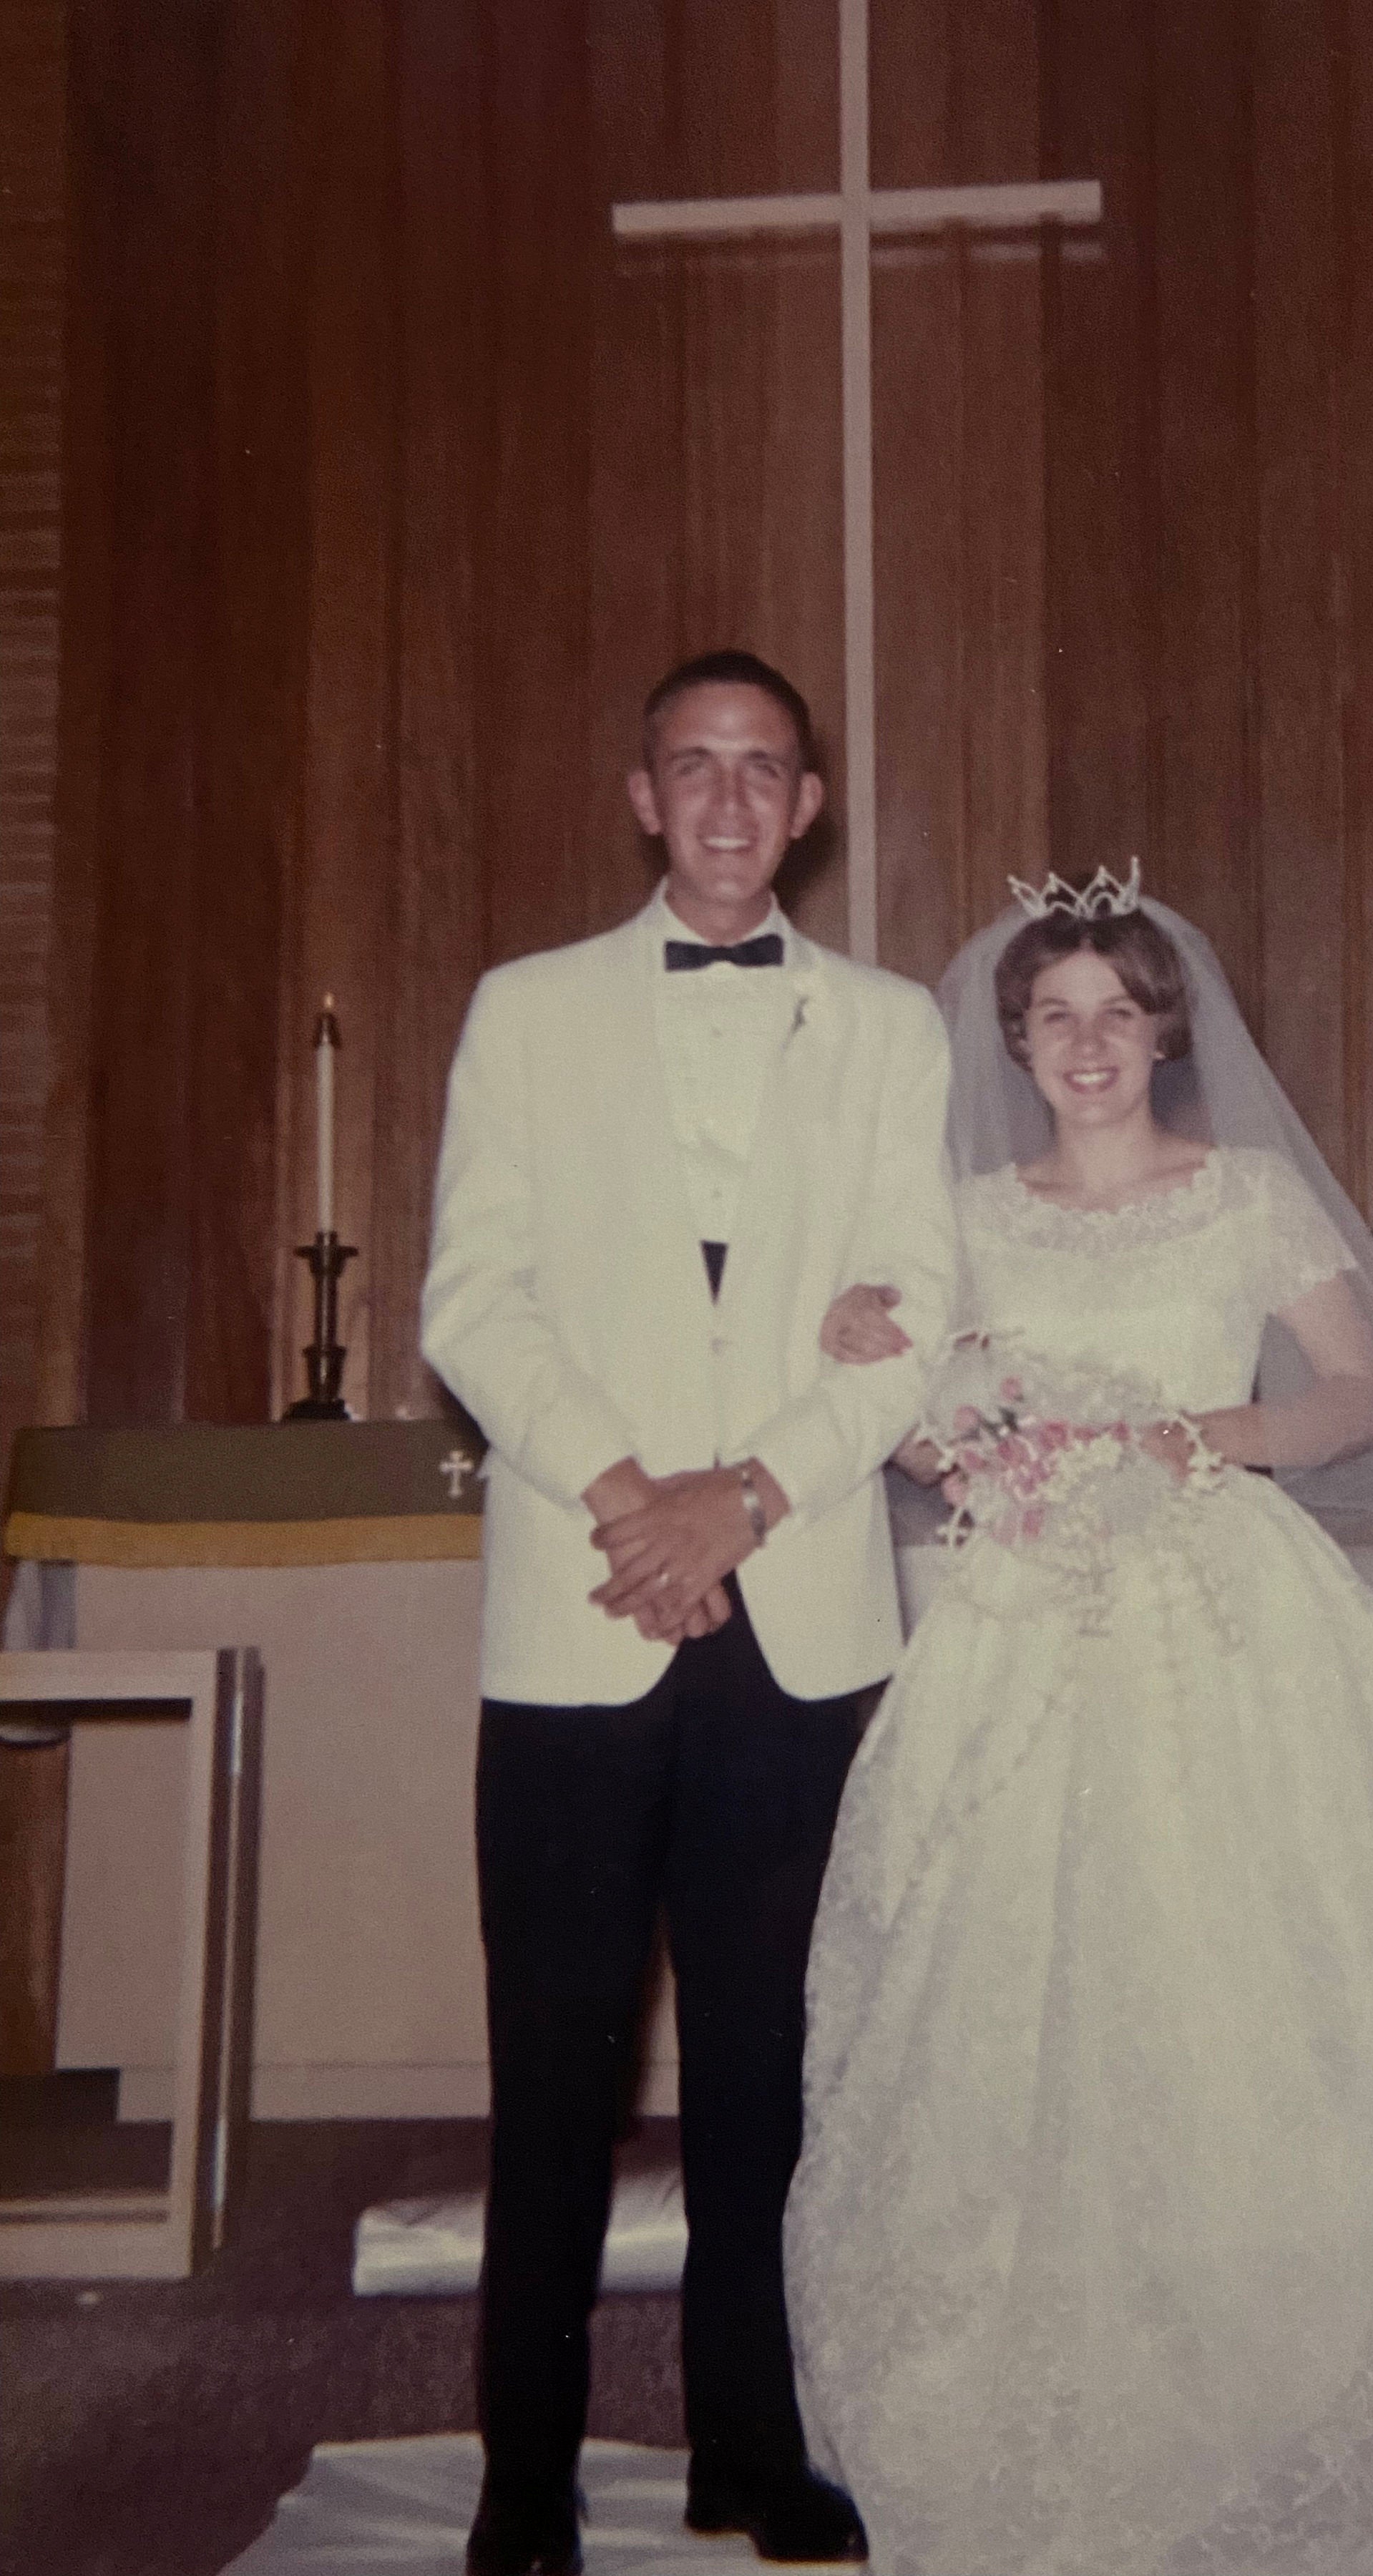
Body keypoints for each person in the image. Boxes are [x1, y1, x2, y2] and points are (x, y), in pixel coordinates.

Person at [783, 872, 1373, 2575]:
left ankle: (1286, 2368)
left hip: (1222, 1604)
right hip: (1014, 1626)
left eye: (1116, 1013)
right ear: (1015, 1039)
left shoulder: (1250, 1196)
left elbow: (1358, 1394)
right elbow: (908, 1420)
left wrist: (1180, 1437)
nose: (1086, 1045)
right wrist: (940, 1417)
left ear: (1167, 1030)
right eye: (1053, 1015)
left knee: (1251, 1982)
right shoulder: (964, 1211)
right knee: (1006, 1990)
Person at [421, 650, 957, 2574]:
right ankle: (519, 2480)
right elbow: (472, 1305)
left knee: (766, 2065)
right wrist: (637, 1496)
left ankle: (750, 2443)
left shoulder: (895, 1030)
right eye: (693, 768)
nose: (729, 802)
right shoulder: (526, 1010)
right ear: (641, 797)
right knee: (552, 2062)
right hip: (582, 1598)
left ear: (808, 807)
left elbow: (917, 1315)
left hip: (801, 1609)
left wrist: (746, 1493)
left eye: (765, 771)